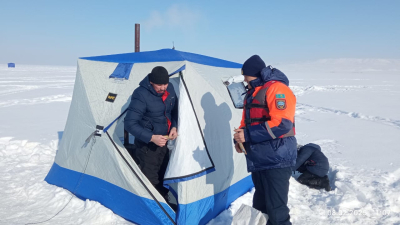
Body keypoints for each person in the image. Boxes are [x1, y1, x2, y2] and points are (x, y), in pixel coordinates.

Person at [233, 55, 297, 225]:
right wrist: (241, 140)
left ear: (255, 74)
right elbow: (245, 123)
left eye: (246, 77)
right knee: (260, 207)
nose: (245, 81)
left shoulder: (277, 89)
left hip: (277, 158)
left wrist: (248, 135)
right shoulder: (252, 93)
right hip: (259, 158)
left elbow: (282, 124)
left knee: (277, 211)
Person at [124, 66, 178, 204]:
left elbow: (174, 110)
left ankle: (163, 202)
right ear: (151, 82)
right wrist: (152, 137)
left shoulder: (170, 88)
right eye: (159, 85)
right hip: (147, 146)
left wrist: (174, 126)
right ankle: (154, 208)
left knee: (163, 173)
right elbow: (130, 123)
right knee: (150, 179)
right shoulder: (141, 94)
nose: (163, 88)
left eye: (165, 84)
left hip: (164, 142)